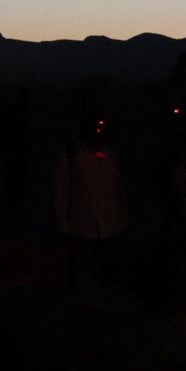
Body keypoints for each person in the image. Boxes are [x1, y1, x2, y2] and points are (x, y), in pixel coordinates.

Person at [55, 110, 126, 293]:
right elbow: (61, 186)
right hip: (82, 224)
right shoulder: (73, 149)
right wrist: (63, 220)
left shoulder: (110, 147)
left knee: (108, 272)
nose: (97, 129)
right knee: (84, 271)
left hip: (111, 224)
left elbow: (118, 184)